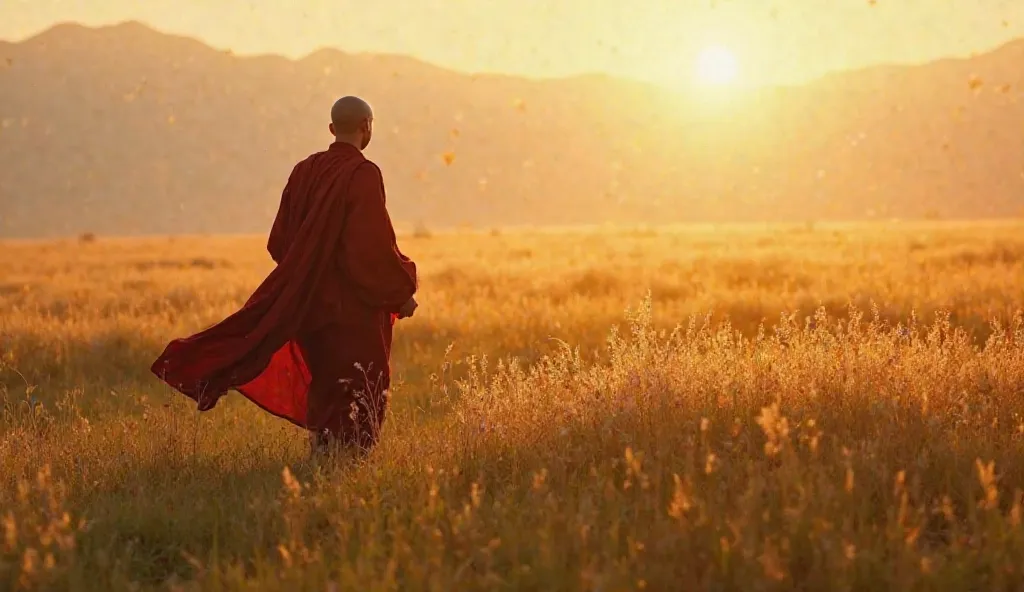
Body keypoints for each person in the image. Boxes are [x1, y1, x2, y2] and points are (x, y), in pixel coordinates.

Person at [151, 96, 418, 458]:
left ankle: (323, 458)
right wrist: (401, 290)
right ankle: (349, 468)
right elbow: (369, 249)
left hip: (310, 309)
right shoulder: (363, 173)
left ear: (330, 129)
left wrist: (309, 275)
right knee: (362, 385)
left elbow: (280, 243)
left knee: (326, 384)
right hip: (351, 312)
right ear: (367, 127)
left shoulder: (303, 171)